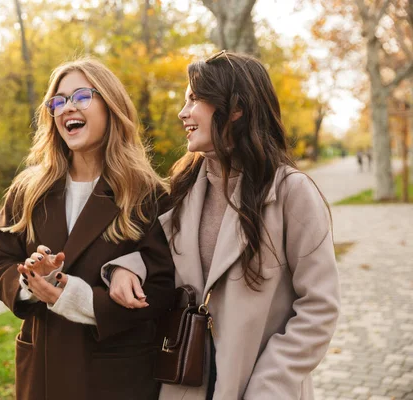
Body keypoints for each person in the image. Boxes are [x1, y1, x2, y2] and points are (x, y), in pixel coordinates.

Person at [101, 51, 340, 400]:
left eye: (195, 99)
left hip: (262, 388)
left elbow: (319, 306)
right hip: (186, 381)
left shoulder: (292, 192)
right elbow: (162, 257)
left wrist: (269, 386)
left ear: (236, 108)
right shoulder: (182, 187)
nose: (183, 113)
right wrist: (128, 268)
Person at [0, 58, 176, 400]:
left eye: (81, 97)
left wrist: (76, 296)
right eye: (57, 101)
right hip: (42, 374)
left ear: (111, 106)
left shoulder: (148, 194)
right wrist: (33, 281)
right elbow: (2, 258)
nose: (66, 108)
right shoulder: (28, 189)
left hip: (114, 377)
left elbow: (164, 288)